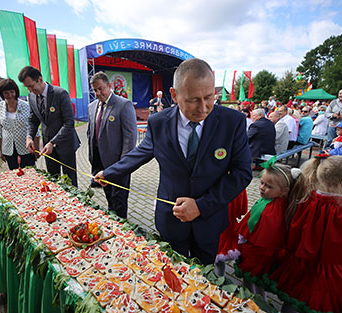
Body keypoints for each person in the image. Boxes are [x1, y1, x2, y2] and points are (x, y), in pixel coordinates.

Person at [95, 58, 252, 265]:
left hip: (210, 221)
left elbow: (242, 173)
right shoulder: (158, 122)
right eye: (193, 100)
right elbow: (141, 153)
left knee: (203, 279)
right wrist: (110, 173)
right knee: (172, 273)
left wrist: (201, 206)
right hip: (171, 220)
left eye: (209, 97)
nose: (203, 108)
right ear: (175, 95)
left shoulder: (233, 122)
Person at [271, 150, 342, 313]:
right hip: (325, 269)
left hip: (299, 262)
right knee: (316, 300)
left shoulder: (307, 198)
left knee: (295, 296)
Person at [235, 161, 297, 299]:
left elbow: (264, 233)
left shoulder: (273, 209)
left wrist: (245, 237)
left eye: (269, 186)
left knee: (254, 279)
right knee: (254, 280)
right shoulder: (271, 202)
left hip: (260, 253)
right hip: (257, 251)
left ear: (284, 191)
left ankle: (255, 301)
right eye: (261, 183)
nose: (262, 188)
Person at [18, 66, 80, 186]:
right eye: (27, 87)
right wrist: (29, 137)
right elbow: (33, 119)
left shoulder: (60, 94)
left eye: (31, 86)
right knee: (53, 180)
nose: (30, 90)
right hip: (48, 147)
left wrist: (53, 142)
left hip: (65, 145)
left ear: (40, 79)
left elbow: (69, 123)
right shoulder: (31, 97)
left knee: (70, 182)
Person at [87, 72, 137, 218]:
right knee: (109, 197)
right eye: (95, 90)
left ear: (110, 86)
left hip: (118, 164)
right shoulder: (92, 107)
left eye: (101, 88)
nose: (98, 93)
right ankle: (112, 223)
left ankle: (122, 231)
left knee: (119, 201)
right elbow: (90, 133)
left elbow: (130, 139)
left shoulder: (123, 105)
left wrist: (123, 166)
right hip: (99, 163)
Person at [0, 79, 38, 170]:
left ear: (16, 92)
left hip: (26, 145)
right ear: (2, 94)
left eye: (12, 92)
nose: (10, 95)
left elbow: (35, 128)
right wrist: (0, 150)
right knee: (13, 175)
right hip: (8, 147)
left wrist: (36, 148)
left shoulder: (26, 105)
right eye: (6, 93)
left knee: (30, 173)